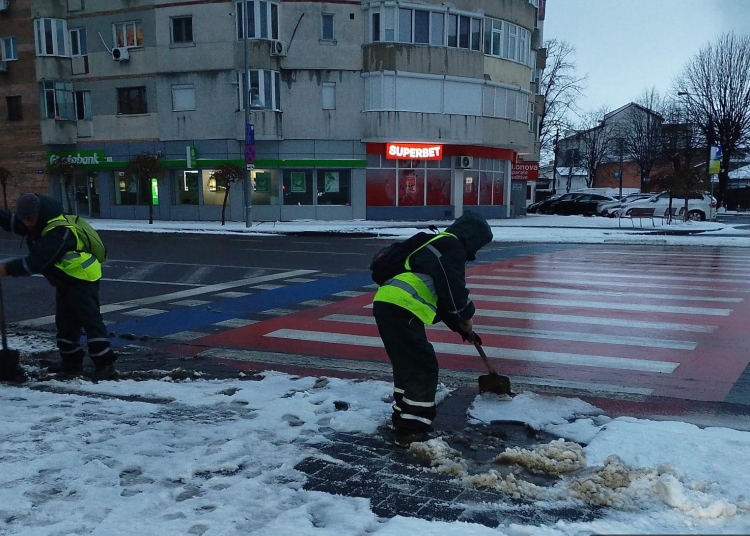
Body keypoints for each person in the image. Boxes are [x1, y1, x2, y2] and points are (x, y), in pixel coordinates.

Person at [372, 212, 493, 447]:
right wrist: (466, 315)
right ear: (473, 237)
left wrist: (463, 329)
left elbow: (442, 298)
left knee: (407, 364)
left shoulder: (434, 244)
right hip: (402, 307)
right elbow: (452, 289)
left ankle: (403, 416)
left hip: (387, 304)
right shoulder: (451, 247)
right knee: (423, 366)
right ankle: (411, 430)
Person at [0, 193, 117, 381]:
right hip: (65, 280)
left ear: (39, 213)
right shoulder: (39, 223)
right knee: (65, 323)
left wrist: (5, 269)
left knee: (90, 321)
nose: (27, 223)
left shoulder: (60, 231)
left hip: (82, 279)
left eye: (29, 218)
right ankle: (71, 363)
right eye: (24, 218)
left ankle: (105, 364)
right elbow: (13, 222)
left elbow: (37, 262)